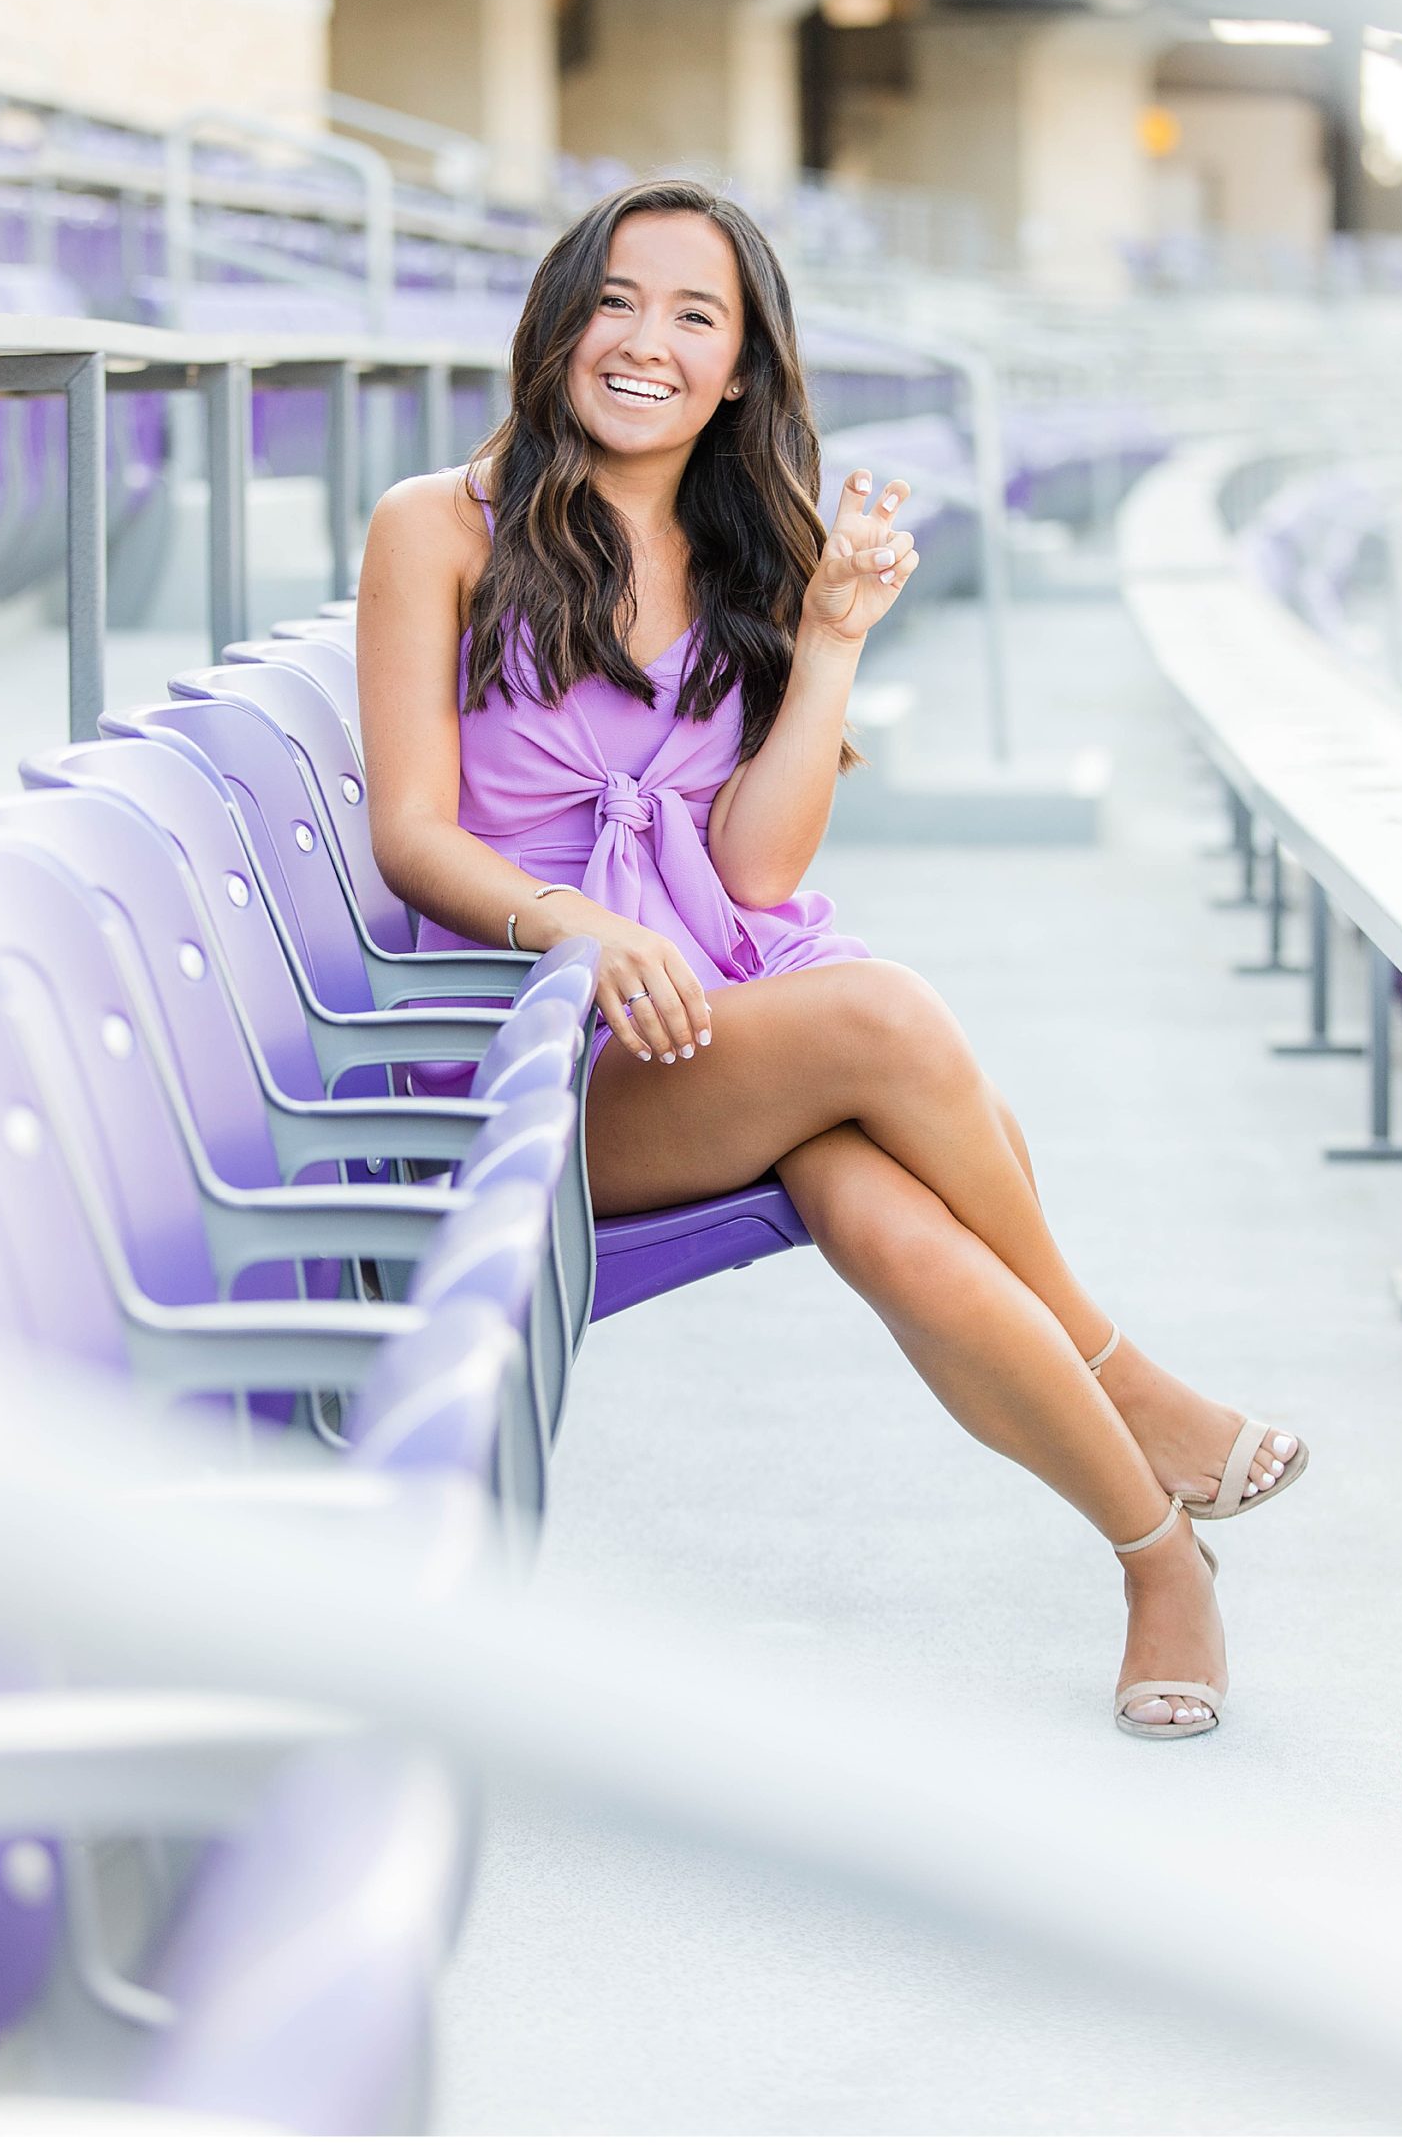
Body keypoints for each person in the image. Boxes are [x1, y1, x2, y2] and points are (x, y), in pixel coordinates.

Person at [359, 179, 1307, 1739]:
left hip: (711, 1023)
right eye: (615, 298)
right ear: (555, 319)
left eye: (694, 316)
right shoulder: (433, 528)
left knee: (886, 1212)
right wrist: (581, 928)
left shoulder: (750, 548)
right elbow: (412, 833)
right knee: (876, 1015)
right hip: (522, 1061)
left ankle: (1160, 1563)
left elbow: (758, 870)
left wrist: (835, 640)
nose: (644, 340)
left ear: (739, 370)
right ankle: (1120, 1370)